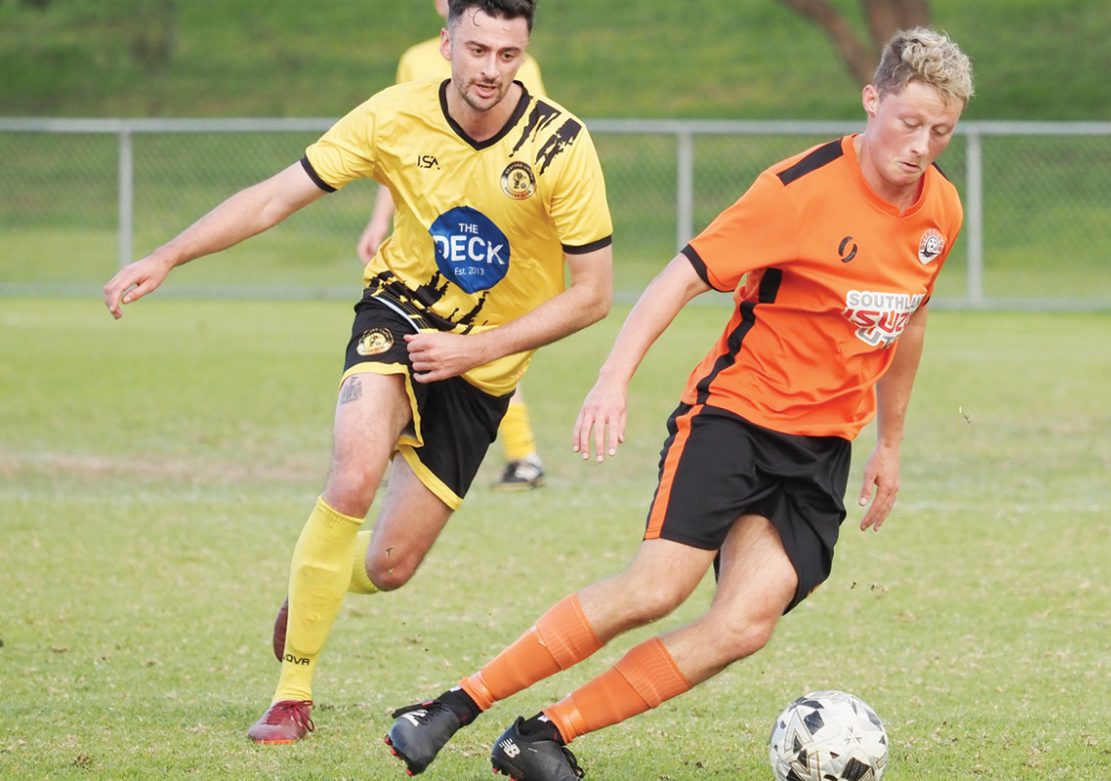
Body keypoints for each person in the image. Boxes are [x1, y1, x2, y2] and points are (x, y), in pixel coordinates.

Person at [382, 26, 973, 780]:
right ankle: (453, 705)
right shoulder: (798, 191)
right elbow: (682, 275)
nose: (922, 145)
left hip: (822, 448)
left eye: (942, 131)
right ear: (872, 99)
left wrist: (889, 445)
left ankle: (541, 734)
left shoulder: (940, 212)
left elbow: (909, 319)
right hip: (736, 418)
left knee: (744, 624)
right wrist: (613, 377)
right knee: (656, 586)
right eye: (909, 122)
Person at [102, 0, 614, 745]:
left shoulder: (560, 144)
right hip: (399, 316)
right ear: (447, 43)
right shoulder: (393, 114)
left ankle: (317, 581)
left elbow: (593, 295)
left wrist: (476, 350)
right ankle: (291, 694)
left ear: (525, 53)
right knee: (352, 472)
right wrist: (166, 254)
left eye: (508, 55)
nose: (490, 70)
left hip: (482, 372)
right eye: (476, 49)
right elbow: (278, 195)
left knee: (392, 563)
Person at [358, 0, 549, 491]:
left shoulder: (516, 62)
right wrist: (379, 220)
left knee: (487, 346)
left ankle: (524, 454)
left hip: (485, 237)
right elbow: (393, 148)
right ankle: (383, 450)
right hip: (425, 236)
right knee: (405, 345)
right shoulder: (415, 59)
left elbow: (533, 142)